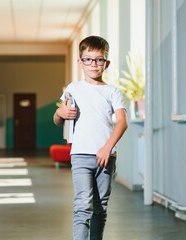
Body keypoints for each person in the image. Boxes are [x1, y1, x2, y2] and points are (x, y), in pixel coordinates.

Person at [53, 35, 128, 240]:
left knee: (100, 207)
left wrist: (107, 148)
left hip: (105, 156)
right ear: (80, 62)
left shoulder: (112, 92)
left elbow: (122, 122)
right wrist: (61, 113)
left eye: (99, 59)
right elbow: (57, 119)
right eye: (88, 59)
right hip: (80, 155)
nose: (94, 64)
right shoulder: (73, 88)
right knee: (82, 206)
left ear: (106, 62)